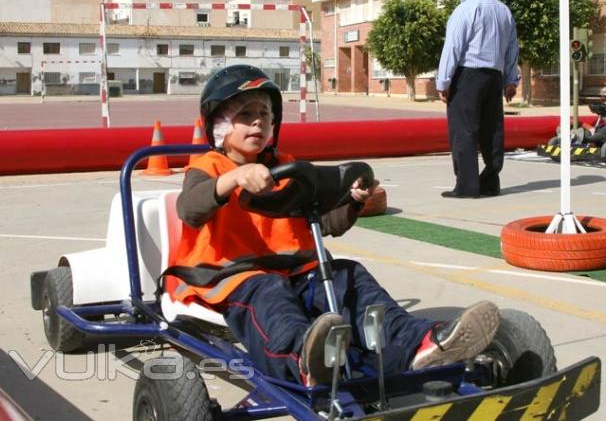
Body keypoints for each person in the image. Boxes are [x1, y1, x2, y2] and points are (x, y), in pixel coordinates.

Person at [171, 65, 501, 387]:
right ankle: (302, 360)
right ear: (219, 124)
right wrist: (233, 178)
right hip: (229, 278)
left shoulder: (286, 166)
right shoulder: (207, 167)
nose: (258, 120)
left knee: (347, 274)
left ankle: (418, 344)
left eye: (265, 113)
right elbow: (190, 209)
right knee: (269, 293)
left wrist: (353, 200)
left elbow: (323, 222)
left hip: (295, 272)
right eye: (245, 114)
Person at [436, 0, 520, 199]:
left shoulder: (464, 10)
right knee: (492, 130)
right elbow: (512, 48)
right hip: (493, 76)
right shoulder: (504, 10)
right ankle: (491, 181)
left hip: (467, 76)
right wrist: (510, 80)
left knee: (463, 131)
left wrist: (443, 82)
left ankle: (467, 186)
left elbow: (452, 48)